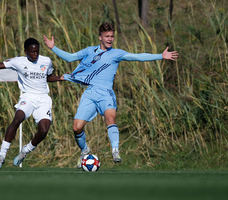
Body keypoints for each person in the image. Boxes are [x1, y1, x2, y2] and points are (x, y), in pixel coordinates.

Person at [43, 22, 178, 168]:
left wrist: (160, 56)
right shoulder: (89, 51)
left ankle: (115, 151)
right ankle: (84, 151)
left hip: (106, 94)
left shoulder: (116, 53)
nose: (110, 39)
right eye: (107, 36)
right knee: (76, 127)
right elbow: (69, 58)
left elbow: (138, 57)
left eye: (112, 36)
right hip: (90, 93)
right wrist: (53, 48)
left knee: (110, 118)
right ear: (100, 37)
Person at [0, 38, 64, 170]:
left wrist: (60, 78)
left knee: (44, 130)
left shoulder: (46, 61)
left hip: (43, 99)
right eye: (32, 52)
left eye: (37, 51)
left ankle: (25, 151)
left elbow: (48, 76)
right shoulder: (18, 61)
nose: (35, 54)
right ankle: (2, 156)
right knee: (17, 119)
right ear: (25, 51)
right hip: (27, 97)